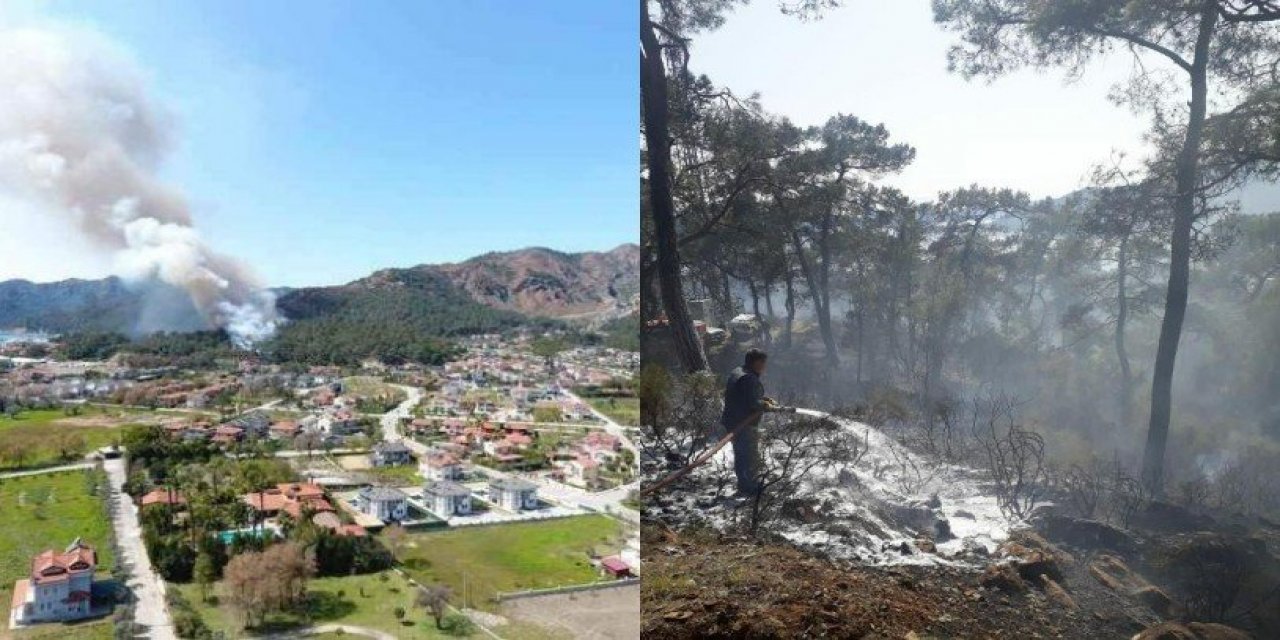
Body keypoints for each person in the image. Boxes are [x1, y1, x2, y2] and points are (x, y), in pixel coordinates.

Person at [720, 348, 777, 496]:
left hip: (733, 421)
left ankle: (744, 484)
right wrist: (763, 405)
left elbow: (744, 396)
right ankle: (750, 487)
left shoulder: (739, 371)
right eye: (763, 363)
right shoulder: (749, 378)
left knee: (741, 454)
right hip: (742, 423)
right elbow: (752, 403)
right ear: (756, 362)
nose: (765, 366)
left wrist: (763, 399)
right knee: (748, 454)